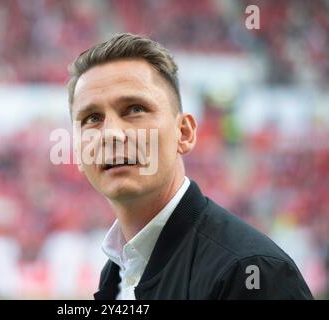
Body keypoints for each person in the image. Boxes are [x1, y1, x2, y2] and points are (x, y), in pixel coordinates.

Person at [66, 33, 313, 299]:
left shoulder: (250, 272)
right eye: (92, 118)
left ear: (183, 133)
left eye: (135, 109)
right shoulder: (116, 273)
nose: (111, 133)